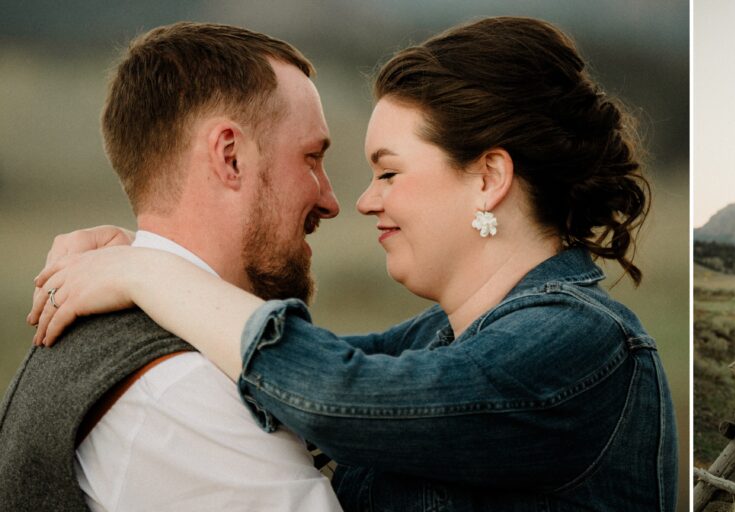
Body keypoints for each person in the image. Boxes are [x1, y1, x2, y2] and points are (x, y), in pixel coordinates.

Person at [27, 16, 678, 512]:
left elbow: (338, 397)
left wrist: (150, 270)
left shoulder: (591, 348)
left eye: (389, 172)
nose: (360, 201)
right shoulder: (438, 338)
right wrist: (134, 250)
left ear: (488, 178)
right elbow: (306, 374)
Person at [0, 22, 343, 510]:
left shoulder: (124, 347)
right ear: (231, 157)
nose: (330, 201)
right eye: (311, 158)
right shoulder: (179, 392)